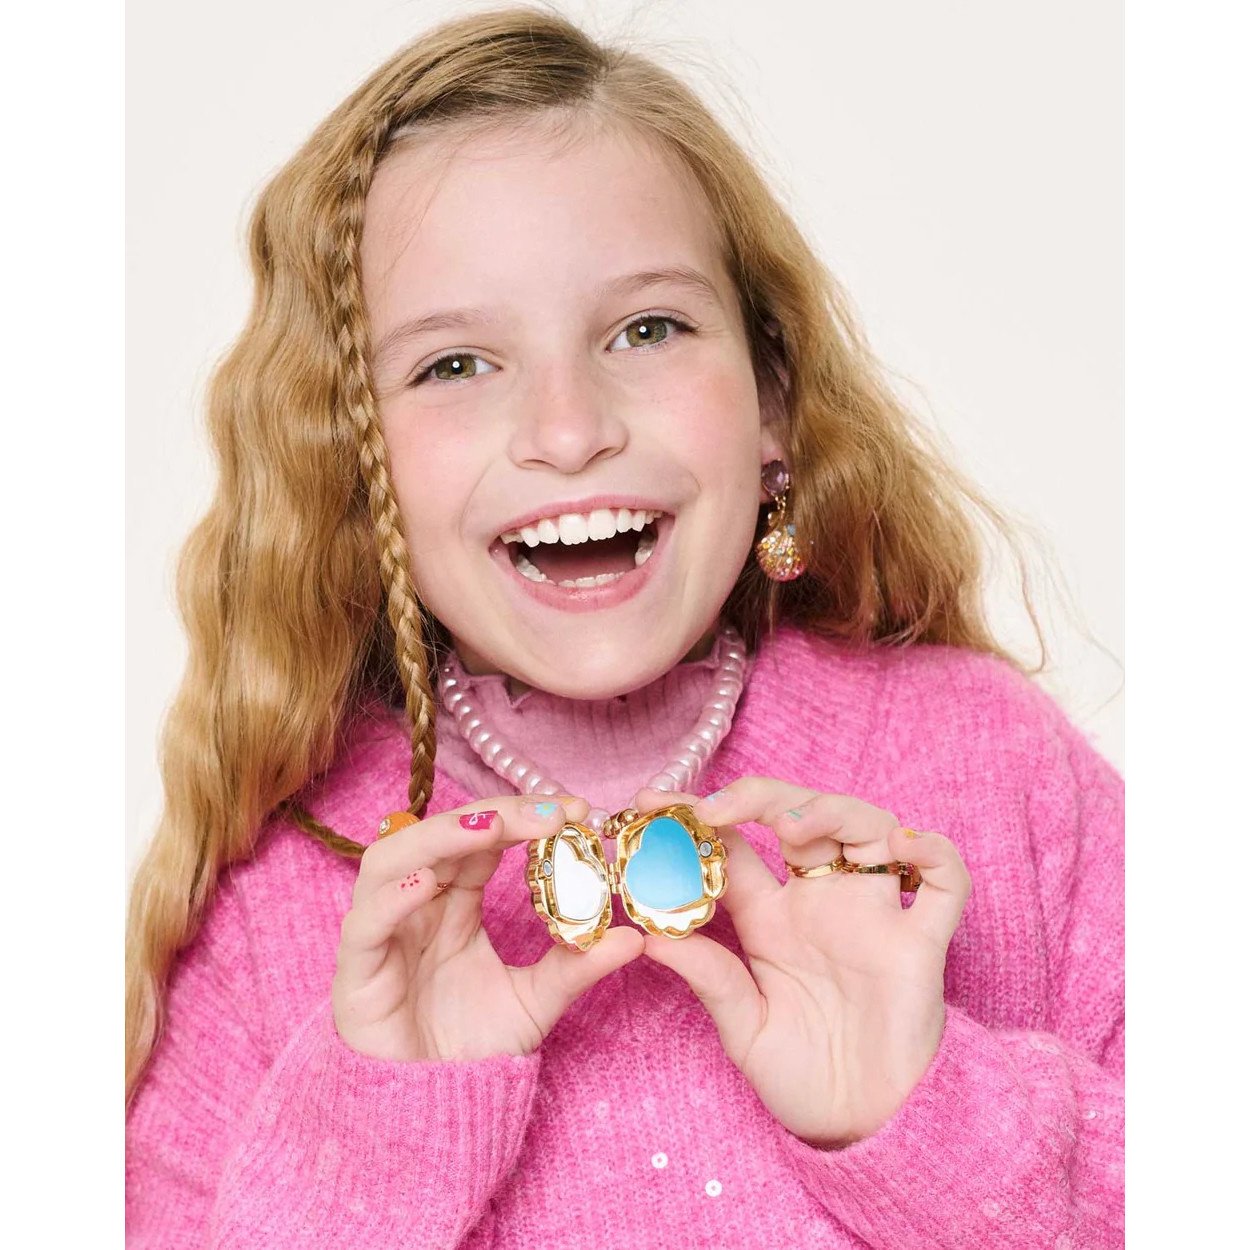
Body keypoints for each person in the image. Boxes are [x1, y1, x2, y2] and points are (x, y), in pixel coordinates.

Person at [124, 6, 1124, 1247]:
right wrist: (378, 1148)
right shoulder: (272, 905)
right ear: (351, 464)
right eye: (452, 364)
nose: (568, 428)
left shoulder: (990, 761)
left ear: (771, 399)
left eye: (647, 329)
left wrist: (928, 1109)